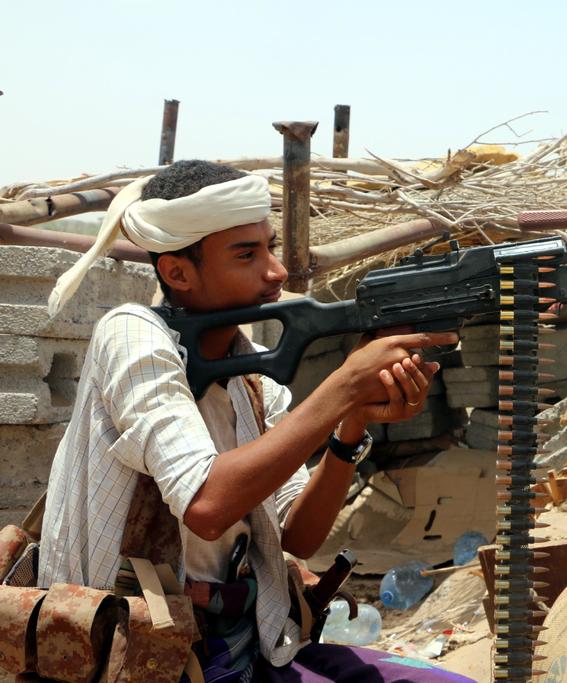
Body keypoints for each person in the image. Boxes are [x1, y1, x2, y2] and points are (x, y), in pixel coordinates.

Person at [38, 160, 473, 682]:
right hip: (141, 659)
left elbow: (299, 536)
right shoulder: (131, 334)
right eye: (247, 255)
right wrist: (342, 386)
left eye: (270, 247)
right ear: (177, 273)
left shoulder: (249, 373)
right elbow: (207, 506)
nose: (276, 271)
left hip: (249, 642)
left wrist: (352, 421)